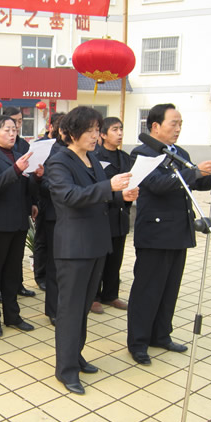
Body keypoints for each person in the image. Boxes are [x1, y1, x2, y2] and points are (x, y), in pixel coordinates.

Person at [127, 103, 211, 366]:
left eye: (180, 124)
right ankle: (138, 343)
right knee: (147, 290)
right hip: (155, 234)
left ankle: (161, 335)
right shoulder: (142, 153)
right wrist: (196, 171)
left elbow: (196, 183)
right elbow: (158, 184)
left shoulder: (180, 153)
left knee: (169, 288)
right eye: (173, 123)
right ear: (155, 126)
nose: (178, 129)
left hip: (178, 231)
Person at [47, 107, 137, 394]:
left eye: (97, 130)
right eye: (89, 131)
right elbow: (69, 196)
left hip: (96, 242)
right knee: (70, 310)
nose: (95, 136)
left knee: (84, 307)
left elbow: (101, 193)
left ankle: (76, 355)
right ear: (72, 133)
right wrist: (109, 186)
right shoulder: (59, 161)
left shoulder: (93, 158)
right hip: (74, 246)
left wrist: (121, 195)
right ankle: (66, 370)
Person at [0, 115, 43, 337]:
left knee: (13, 271)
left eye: (14, 130)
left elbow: (25, 187)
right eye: (6, 130)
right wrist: (16, 169)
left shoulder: (20, 156)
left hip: (18, 221)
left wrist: (37, 179)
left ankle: (12, 316)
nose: (11, 133)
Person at [91, 117, 132, 314]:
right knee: (100, 258)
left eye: (121, 129)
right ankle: (93, 296)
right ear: (103, 134)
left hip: (120, 214)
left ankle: (111, 294)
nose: (120, 133)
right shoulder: (95, 156)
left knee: (116, 258)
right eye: (115, 130)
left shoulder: (125, 157)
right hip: (103, 214)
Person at [1, 106, 35, 298]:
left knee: (17, 254)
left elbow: (28, 177)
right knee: (1, 257)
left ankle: (17, 285)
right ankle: (1, 289)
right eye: (13, 123)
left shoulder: (24, 145)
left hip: (21, 204)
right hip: (3, 209)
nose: (17, 127)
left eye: (20, 122)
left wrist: (33, 202)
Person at [38, 114, 67, 325]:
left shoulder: (87, 153)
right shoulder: (51, 151)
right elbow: (44, 182)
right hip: (55, 213)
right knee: (55, 264)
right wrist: (67, 190)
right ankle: (53, 310)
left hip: (77, 216)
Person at [33, 112, 66, 292]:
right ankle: (41, 275)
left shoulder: (69, 148)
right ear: (53, 127)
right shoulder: (42, 146)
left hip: (62, 205)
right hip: (45, 200)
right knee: (42, 241)